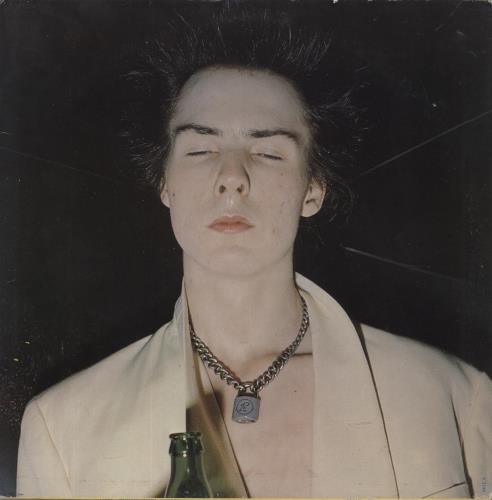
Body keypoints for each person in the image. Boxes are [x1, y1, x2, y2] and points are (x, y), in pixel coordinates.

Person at [16, 5, 492, 498]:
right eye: (200, 150)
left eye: (268, 152)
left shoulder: (455, 395)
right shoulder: (63, 426)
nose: (232, 178)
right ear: (165, 183)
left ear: (313, 189)